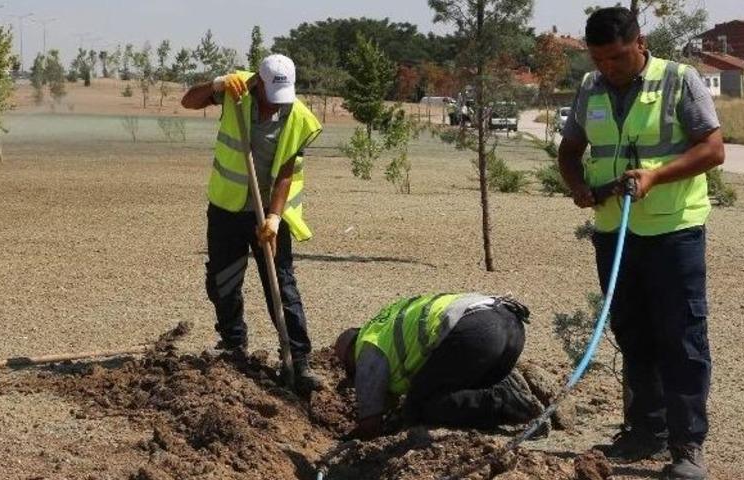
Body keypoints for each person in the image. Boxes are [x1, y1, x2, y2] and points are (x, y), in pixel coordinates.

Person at [557, 7, 724, 480]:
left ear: (640, 42)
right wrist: (578, 187)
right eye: (599, 59)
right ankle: (643, 431)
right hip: (615, 233)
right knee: (634, 335)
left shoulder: (679, 79)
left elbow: (713, 148)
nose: (608, 67)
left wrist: (655, 176)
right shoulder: (589, 88)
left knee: (683, 338)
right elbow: (570, 151)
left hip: (674, 232)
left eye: (617, 57)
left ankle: (687, 446)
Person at [181, 54, 324, 393]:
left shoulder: (298, 117)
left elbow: (286, 173)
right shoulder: (236, 91)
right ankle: (233, 345)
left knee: (281, 283)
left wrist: (274, 217)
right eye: (269, 97)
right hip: (227, 207)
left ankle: (299, 360)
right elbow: (189, 101)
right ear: (258, 83)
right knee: (223, 279)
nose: (275, 106)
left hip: (271, 214)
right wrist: (215, 84)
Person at [333, 293, 543, 440]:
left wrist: (350, 440)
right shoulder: (383, 327)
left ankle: (509, 403)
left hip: (476, 332)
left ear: (350, 357)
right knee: (447, 386)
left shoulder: (367, 349)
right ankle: (507, 386)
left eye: (350, 371)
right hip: (509, 323)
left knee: (421, 405)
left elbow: (370, 425)